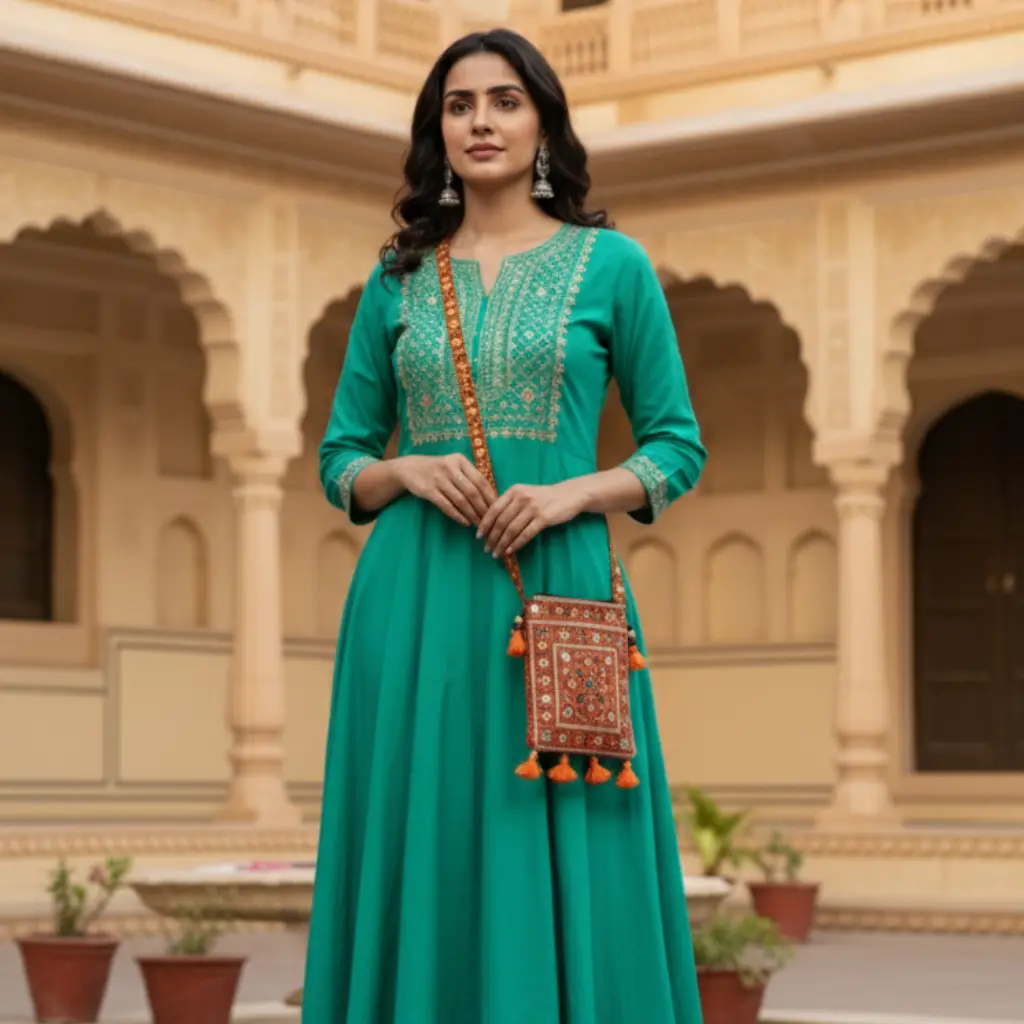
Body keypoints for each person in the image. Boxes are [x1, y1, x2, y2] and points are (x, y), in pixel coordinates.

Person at [303, 26, 708, 1024]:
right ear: (436, 131)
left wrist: (573, 491)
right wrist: (401, 467)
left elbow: (676, 444)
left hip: (559, 590)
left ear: (542, 124)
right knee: (429, 831)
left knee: (560, 829)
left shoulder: (611, 266)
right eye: (458, 104)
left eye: (504, 100)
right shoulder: (397, 279)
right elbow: (338, 458)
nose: (480, 120)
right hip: (416, 605)